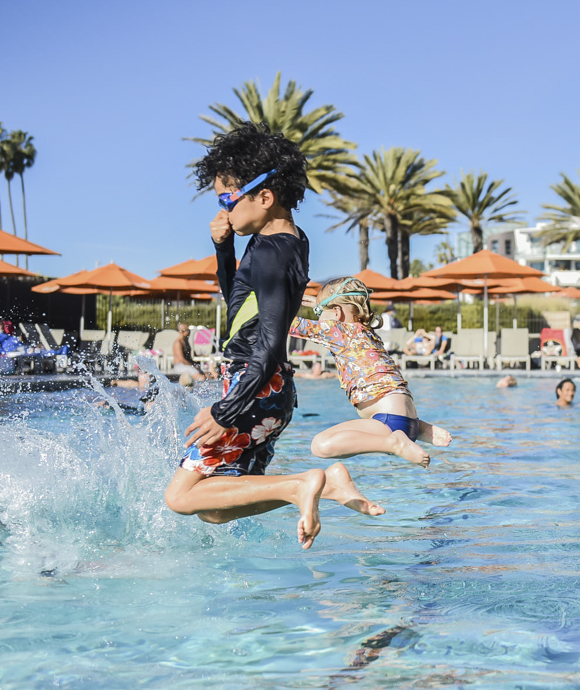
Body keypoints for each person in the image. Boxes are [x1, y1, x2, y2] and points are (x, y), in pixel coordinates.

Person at [164, 122, 384, 550]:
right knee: (214, 508)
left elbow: (268, 341)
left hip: (252, 385)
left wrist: (224, 411)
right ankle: (324, 485)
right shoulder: (287, 241)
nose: (224, 210)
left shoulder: (270, 253)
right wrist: (224, 249)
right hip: (268, 390)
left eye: (228, 199)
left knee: (180, 497)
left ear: (265, 197)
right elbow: (240, 305)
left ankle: (303, 484)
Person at [289, 276, 453, 468]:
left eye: (318, 312)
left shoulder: (336, 331)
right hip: (407, 420)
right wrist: (320, 304)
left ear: (336, 313)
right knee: (341, 443)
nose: (318, 317)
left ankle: (395, 443)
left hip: (388, 422)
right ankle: (421, 429)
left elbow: (284, 323)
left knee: (320, 445)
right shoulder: (367, 332)